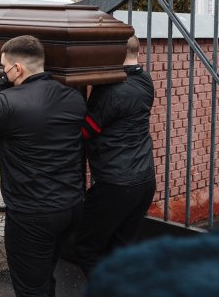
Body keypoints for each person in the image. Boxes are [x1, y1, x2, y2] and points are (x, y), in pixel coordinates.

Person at [0, 35, 86, 296]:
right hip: (71, 206)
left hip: (32, 215)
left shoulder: (8, 102)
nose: (3, 72)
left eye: (4, 67)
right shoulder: (73, 97)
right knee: (45, 275)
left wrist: (0, 83)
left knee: (30, 288)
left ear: (17, 68)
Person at [72, 36, 156, 277]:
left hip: (116, 184)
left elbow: (86, 131)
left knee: (86, 248)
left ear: (112, 53)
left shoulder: (110, 90)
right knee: (122, 247)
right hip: (144, 179)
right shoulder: (145, 79)